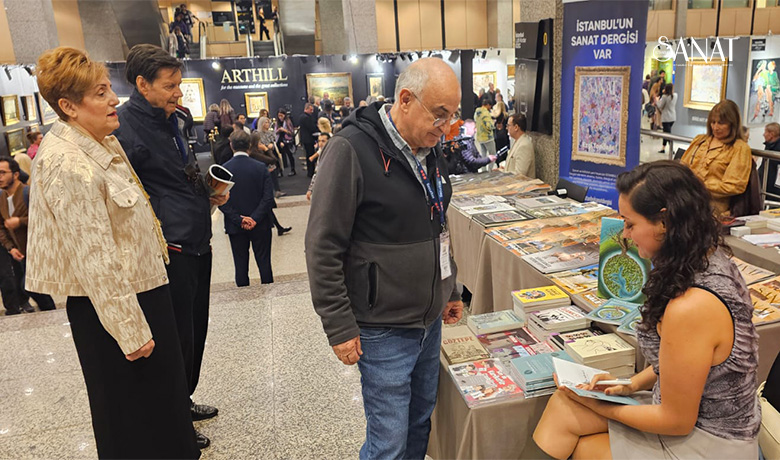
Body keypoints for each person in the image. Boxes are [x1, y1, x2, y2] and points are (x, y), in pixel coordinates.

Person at [27, 46, 199, 458]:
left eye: (109, 89)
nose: (112, 99)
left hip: (143, 291)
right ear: (68, 106)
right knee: (133, 423)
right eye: (100, 93)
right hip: (115, 308)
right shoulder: (68, 162)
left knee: (164, 411)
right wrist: (130, 330)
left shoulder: (100, 142)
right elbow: (94, 256)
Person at [533, 160, 760, 460]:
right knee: (563, 406)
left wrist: (598, 405)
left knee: (584, 447)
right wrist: (631, 384)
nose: (624, 235)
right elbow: (684, 363)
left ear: (664, 223)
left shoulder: (692, 305)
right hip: (693, 420)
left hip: (711, 442)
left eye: (630, 223)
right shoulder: (708, 260)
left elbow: (676, 421)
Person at [305, 58, 464, 459]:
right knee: (388, 442)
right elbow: (322, 244)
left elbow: (437, 225)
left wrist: (451, 288)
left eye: (452, 115)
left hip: (428, 323)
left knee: (417, 427)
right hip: (382, 329)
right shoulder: (350, 150)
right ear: (406, 99)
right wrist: (339, 326)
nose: (446, 126)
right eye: (440, 115)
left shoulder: (429, 148)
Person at [114, 44, 227, 450]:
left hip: (199, 237)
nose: (179, 93)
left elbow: (183, 170)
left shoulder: (178, 119)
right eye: (170, 86)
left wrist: (209, 192)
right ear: (142, 85)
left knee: (196, 329)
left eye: (179, 84)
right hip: (168, 249)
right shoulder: (123, 128)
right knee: (174, 336)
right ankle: (173, 417)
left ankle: (185, 397)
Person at [0, 156, 56, 312]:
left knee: (29, 286)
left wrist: (20, 221)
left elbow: (45, 217)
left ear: (16, 174)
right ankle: (50, 313)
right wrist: (10, 248)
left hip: (37, 249)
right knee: (29, 286)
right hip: (20, 251)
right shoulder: (2, 198)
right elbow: (1, 227)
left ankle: (51, 313)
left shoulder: (28, 193)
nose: (0, 177)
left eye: (3, 173)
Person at [219, 130, 275, 286]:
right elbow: (268, 198)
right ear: (250, 145)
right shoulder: (260, 167)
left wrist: (239, 219)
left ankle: (244, 298)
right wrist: (255, 218)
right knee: (264, 263)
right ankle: (270, 293)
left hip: (235, 225)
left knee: (240, 265)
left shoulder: (223, 169)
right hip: (261, 222)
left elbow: (221, 200)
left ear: (231, 145)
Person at [680, 99, 752, 217]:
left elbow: (734, 186)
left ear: (732, 124)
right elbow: (682, 167)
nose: (716, 127)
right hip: (685, 202)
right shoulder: (700, 140)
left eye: (721, 123)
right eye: (713, 122)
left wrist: (699, 184)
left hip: (713, 210)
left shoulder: (739, 148)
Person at [505, 113, 536, 178]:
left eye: (508, 125)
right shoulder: (518, 141)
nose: (507, 128)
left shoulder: (524, 145)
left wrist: (504, 174)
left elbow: (520, 175)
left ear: (516, 127)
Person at [306, 132, 331, 201]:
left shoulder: (332, 154)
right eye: (319, 141)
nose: (320, 143)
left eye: (323, 141)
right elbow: (316, 172)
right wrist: (310, 190)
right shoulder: (321, 155)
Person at [474, 96, 496, 170]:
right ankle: (490, 170)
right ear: (488, 105)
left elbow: (475, 120)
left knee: (483, 155)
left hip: (480, 137)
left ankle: (483, 170)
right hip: (488, 137)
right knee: (493, 155)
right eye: (490, 106)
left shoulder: (477, 111)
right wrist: (493, 124)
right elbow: (489, 125)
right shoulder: (486, 113)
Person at [655, 83, 678, 154]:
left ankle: (671, 149)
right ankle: (663, 148)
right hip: (673, 117)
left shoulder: (665, 97)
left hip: (666, 118)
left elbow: (660, 105)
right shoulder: (675, 95)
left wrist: (656, 100)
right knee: (666, 132)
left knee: (667, 134)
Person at [298, 103, 318, 178]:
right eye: (311, 109)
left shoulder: (301, 116)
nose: (312, 111)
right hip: (309, 139)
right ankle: (311, 172)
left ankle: (310, 172)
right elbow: (312, 128)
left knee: (308, 155)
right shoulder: (307, 117)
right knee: (311, 155)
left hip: (305, 139)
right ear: (306, 109)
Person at [760, 122, 780, 200]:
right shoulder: (769, 145)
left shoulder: (777, 149)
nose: (763, 134)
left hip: (774, 189)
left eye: (765, 132)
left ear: (771, 134)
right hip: (765, 185)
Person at [275, 109, 296, 176]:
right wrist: (278, 130)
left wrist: (284, 130)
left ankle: (293, 169)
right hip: (279, 140)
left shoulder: (288, 122)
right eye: (279, 115)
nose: (280, 117)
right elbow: (275, 132)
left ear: (284, 115)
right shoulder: (277, 123)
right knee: (278, 156)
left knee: (289, 155)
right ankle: (280, 171)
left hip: (287, 140)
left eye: (281, 115)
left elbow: (291, 132)